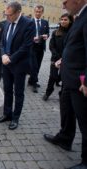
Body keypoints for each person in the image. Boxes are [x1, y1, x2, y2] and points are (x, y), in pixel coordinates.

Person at [43, 0, 87, 168]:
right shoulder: (79, 16)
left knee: (84, 120)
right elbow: (76, 47)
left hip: (80, 81)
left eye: (65, 1)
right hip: (68, 78)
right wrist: (64, 59)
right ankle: (65, 138)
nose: (63, 6)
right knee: (66, 110)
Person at [0, 2, 35, 130]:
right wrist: (3, 55)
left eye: (9, 15)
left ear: (18, 12)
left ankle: (15, 118)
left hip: (19, 65)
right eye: (5, 14)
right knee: (7, 90)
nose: (7, 17)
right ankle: (7, 114)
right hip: (6, 63)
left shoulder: (28, 23)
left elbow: (26, 47)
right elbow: (2, 42)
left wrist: (10, 58)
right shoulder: (7, 23)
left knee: (18, 92)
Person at [43, 13, 73, 101]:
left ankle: (62, 94)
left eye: (65, 20)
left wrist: (63, 58)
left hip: (67, 59)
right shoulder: (56, 32)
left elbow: (71, 47)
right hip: (55, 58)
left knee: (64, 78)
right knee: (52, 76)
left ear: (70, 21)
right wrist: (57, 56)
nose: (63, 21)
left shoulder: (72, 32)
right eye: (62, 19)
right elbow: (51, 45)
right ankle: (48, 92)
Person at [28, 5, 50, 93]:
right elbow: (25, 35)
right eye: (36, 11)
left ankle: (30, 80)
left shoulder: (45, 22)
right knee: (34, 66)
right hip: (32, 47)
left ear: (42, 12)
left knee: (38, 65)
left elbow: (47, 32)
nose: (38, 13)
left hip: (41, 47)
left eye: (40, 12)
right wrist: (32, 38)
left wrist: (46, 36)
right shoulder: (29, 22)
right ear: (34, 11)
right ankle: (34, 83)